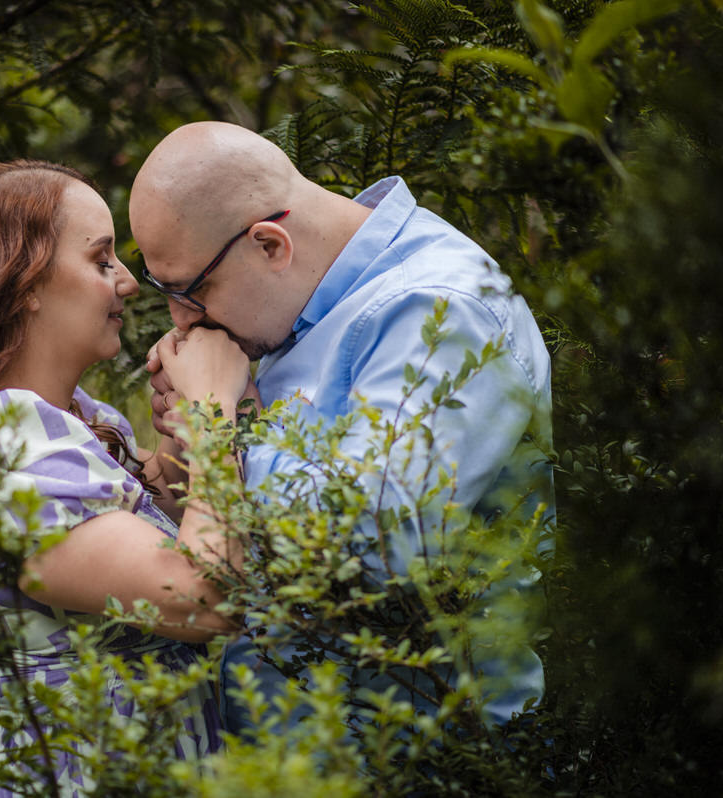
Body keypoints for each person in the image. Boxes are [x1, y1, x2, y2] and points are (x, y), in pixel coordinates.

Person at [131, 121, 554, 734]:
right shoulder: (298, 307)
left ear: (271, 245)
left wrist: (220, 423)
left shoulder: (438, 310)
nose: (179, 318)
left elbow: (382, 541)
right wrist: (188, 453)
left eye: (190, 291)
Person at [0, 160, 251, 796]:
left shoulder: (81, 423)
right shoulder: (14, 450)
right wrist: (210, 419)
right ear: (25, 283)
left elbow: (173, 541)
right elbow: (204, 598)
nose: (127, 283)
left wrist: (177, 444)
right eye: (101, 260)